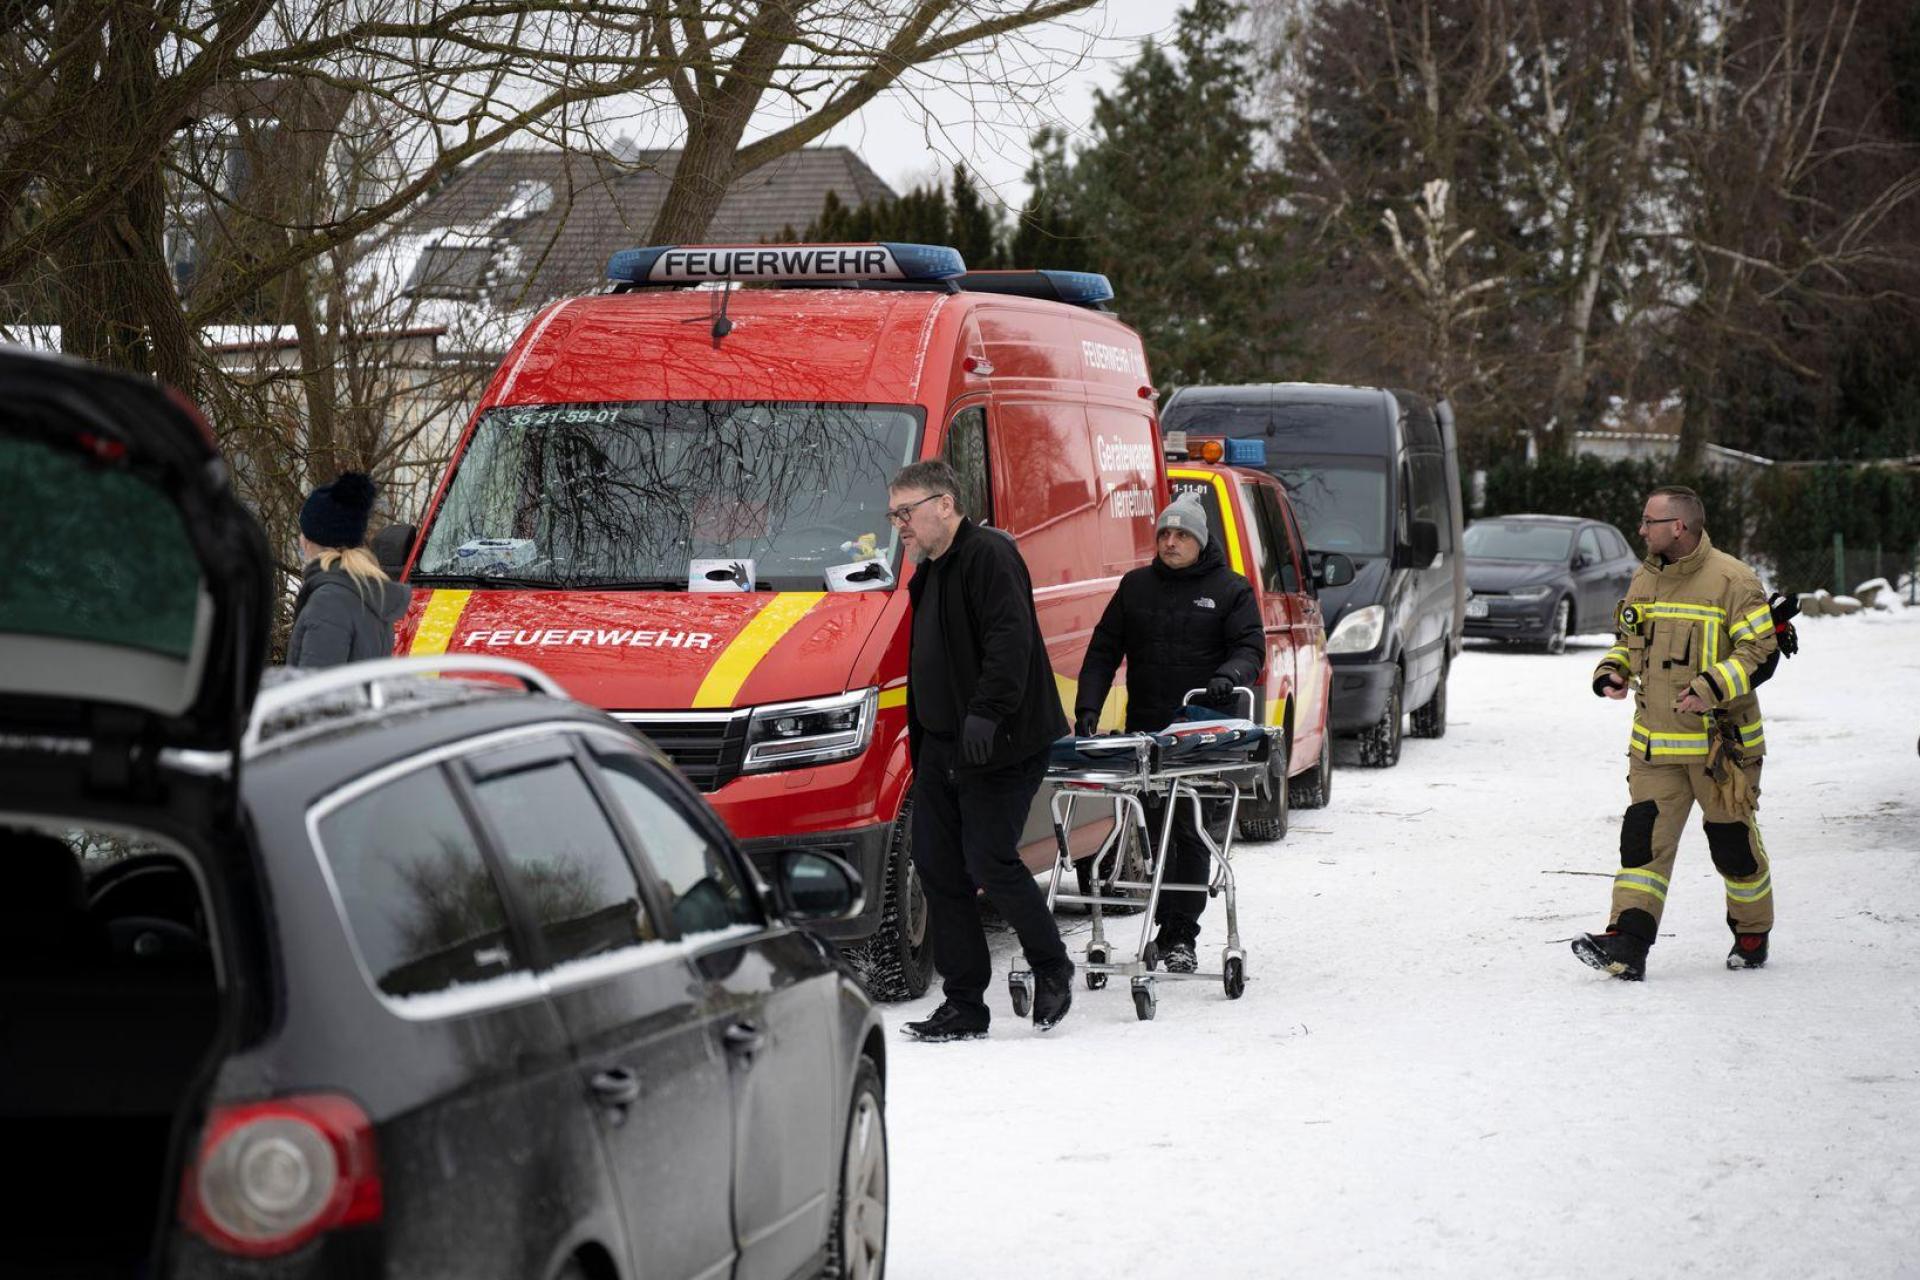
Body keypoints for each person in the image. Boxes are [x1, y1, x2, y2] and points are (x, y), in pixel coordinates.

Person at [891, 459, 1074, 1041]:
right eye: (893, 515)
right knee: (940, 868)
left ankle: (1051, 964)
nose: (900, 526)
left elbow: (1009, 640)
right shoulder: (930, 571)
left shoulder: (989, 554)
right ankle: (964, 1003)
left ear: (944, 504)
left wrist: (987, 713)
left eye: (906, 512)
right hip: (944, 747)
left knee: (990, 860)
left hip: (1003, 742)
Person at [1575, 485, 1779, 981]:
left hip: (1720, 751)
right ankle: (1627, 944)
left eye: (1650, 522)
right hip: (1655, 747)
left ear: (1679, 527)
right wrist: (1612, 671)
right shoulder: (1646, 578)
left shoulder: (1734, 580)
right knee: (1642, 847)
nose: (1642, 530)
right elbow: (1627, 639)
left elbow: (1761, 653)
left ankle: (1751, 932)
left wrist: (1711, 687)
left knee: (1732, 846)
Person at [1072, 490, 1265, 974]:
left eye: (1181, 535)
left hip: (1201, 734)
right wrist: (1088, 706)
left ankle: (1182, 936)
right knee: (1155, 830)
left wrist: (1230, 676)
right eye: (1164, 534)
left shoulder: (1230, 589)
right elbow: (1102, 651)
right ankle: (1164, 925)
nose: (1171, 542)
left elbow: (1251, 649)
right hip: (1147, 734)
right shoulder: (1135, 587)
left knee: (1189, 830)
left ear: (1200, 541)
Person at [287, 471, 413, 669]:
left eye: (303, 532)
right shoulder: (369, 590)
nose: (300, 540)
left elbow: (316, 693)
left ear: (314, 539)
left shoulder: (329, 601)